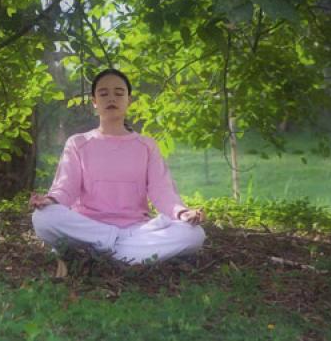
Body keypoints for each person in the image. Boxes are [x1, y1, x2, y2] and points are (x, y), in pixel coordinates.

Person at [30, 68, 206, 269]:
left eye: (119, 93)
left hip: (136, 231)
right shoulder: (78, 143)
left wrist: (183, 213)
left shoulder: (146, 145)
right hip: (89, 227)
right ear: (94, 101)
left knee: (193, 234)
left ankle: (101, 252)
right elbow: (65, 187)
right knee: (43, 217)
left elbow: (162, 191)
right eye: (103, 94)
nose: (111, 98)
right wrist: (50, 200)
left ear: (129, 101)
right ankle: (124, 253)